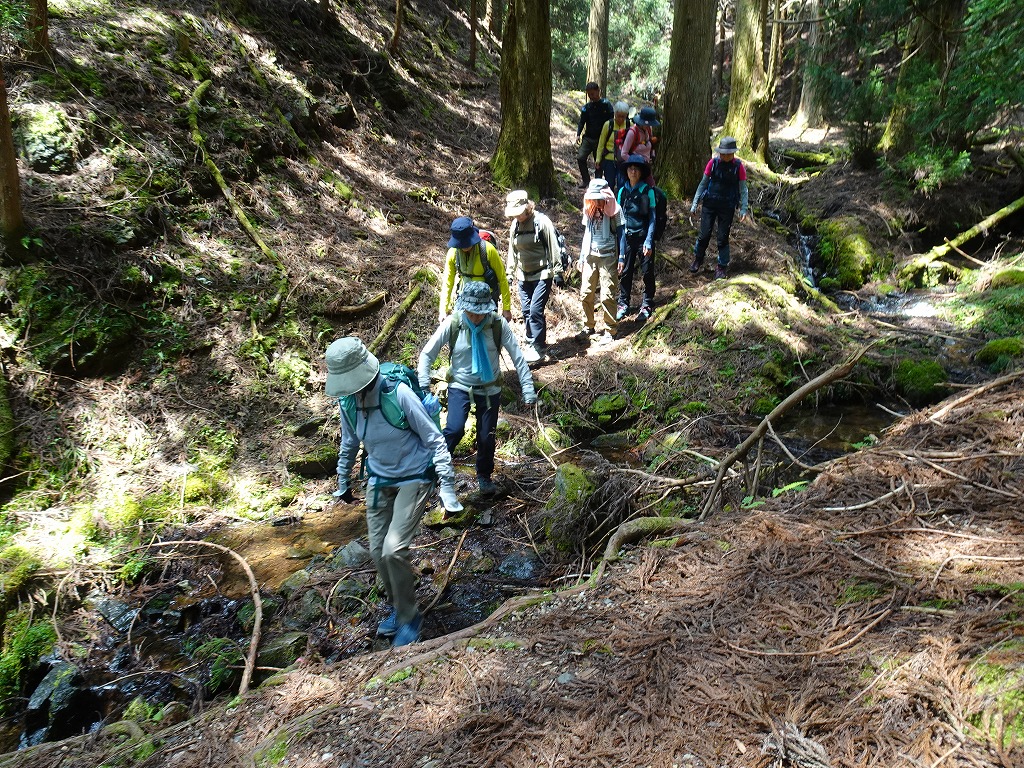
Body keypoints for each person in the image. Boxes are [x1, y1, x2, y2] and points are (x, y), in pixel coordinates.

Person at [327, 337, 462, 648]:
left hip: (414, 477)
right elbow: (349, 443)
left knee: (393, 549)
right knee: (377, 552)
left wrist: (447, 486)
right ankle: (398, 607)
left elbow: (434, 439)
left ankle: (410, 617)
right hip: (379, 479)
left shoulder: (398, 393)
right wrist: (342, 482)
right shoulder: (348, 403)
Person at [419, 281, 536, 498]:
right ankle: (434, 468)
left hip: (490, 388)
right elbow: (427, 353)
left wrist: (528, 389)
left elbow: (518, 357)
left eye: (479, 313)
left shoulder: (497, 325)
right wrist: (424, 384)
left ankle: (484, 476)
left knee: (486, 436)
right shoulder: (454, 323)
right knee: (454, 429)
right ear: (464, 307)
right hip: (460, 384)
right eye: (471, 312)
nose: (475, 317)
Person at [503, 190, 564, 364]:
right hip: (523, 275)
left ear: (527, 208)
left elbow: (553, 246)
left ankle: (538, 347)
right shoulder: (515, 226)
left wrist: (558, 272)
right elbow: (512, 251)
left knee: (535, 311)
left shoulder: (541, 221)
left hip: (542, 274)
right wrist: (509, 273)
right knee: (526, 311)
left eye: (518, 213)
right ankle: (532, 342)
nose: (516, 217)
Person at [690, 136, 749, 280]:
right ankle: (698, 258)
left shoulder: (738, 167)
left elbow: (743, 189)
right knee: (704, 235)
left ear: (733, 153)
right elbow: (703, 183)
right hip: (709, 204)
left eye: (727, 154)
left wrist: (743, 208)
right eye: (722, 153)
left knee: (722, 238)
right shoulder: (713, 163)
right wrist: (695, 203)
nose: (724, 156)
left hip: (727, 207)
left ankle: (722, 266)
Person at [439, 216, 513, 322]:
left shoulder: (488, 250)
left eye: (466, 243)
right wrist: (443, 309)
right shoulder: (453, 253)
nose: (464, 247)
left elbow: (502, 279)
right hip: (464, 300)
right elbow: (448, 281)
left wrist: (506, 308)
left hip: (487, 302)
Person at [579, 178, 624, 344]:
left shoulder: (615, 210)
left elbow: (622, 233)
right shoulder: (589, 208)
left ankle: (610, 329)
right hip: (590, 256)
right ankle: (588, 325)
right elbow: (587, 234)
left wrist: (622, 257)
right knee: (586, 293)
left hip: (608, 256)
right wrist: (582, 256)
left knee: (607, 295)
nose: (596, 201)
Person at [616, 155, 657, 323]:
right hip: (627, 239)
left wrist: (649, 240)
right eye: (630, 168)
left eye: (636, 169)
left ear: (641, 172)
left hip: (643, 238)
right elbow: (618, 219)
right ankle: (623, 303)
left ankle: (647, 303)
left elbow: (652, 218)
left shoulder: (648, 191)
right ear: (626, 171)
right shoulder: (622, 191)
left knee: (647, 271)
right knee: (625, 272)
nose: (633, 171)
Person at [575, 82, 614, 188]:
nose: (591, 96)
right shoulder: (587, 107)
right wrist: (578, 134)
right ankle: (586, 181)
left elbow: (611, 120)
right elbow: (582, 121)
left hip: (601, 139)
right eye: (589, 94)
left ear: (598, 91)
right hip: (588, 138)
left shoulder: (606, 105)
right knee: (580, 157)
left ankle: (597, 183)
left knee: (598, 163)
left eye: (592, 93)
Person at [620, 106, 660, 186]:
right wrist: (635, 163)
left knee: (651, 187)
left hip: (646, 167)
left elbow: (650, 143)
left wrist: (652, 155)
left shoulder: (648, 129)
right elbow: (623, 153)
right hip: (635, 171)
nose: (649, 125)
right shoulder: (632, 133)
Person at [596, 101, 631, 192]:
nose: (620, 119)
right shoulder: (608, 125)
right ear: (614, 114)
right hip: (609, 159)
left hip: (623, 160)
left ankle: (621, 199)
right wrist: (598, 159)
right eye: (618, 116)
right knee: (609, 183)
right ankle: (609, 199)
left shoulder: (629, 125)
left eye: (623, 116)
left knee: (622, 185)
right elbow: (601, 143)